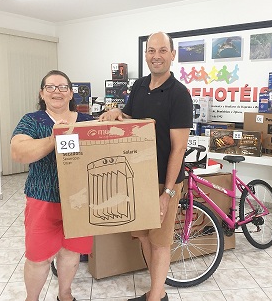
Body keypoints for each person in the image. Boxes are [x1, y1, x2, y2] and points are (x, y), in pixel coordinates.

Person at [100, 32, 193, 301]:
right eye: (151, 50)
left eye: (163, 50)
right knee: (143, 236)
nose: (156, 56)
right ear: (145, 55)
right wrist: (119, 113)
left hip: (163, 180)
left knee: (160, 241)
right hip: (136, 177)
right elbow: (133, 117)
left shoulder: (180, 95)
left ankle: (155, 297)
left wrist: (168, 193)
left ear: (172, 55)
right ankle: (157, 292)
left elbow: (178, 148)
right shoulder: (140, 86)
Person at [10, 70, 94, 301]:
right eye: (50, 87)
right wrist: (54, 137)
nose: (57, 91)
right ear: (42, 93)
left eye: (62, 87)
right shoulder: (32, 120)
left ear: (70, 93)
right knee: (38, 257)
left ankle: (65, 294)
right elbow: (18, 152)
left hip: (80, 200)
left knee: (71, 252)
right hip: (43, 198)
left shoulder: (87, 121)